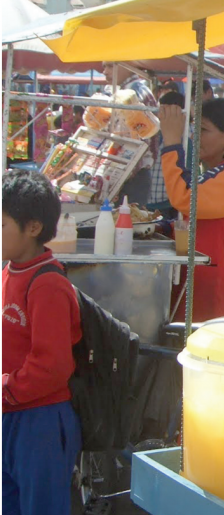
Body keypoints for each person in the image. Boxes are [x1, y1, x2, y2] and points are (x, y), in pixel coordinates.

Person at [3, 170, 82, 515]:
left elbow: (52, 366)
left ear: (32, 228)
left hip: (41, 422)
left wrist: (6, 388)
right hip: (11, 414)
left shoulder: (48, 283)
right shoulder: (9, 271)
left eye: (2, 225)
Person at [158, 98, 224, 324]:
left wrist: (171, 143)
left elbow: (185, 198)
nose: (194, 137)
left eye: (203, 130)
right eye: (194, 130)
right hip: (211, 293)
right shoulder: (222, 170)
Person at [102, 61, 158, 205]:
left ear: (127, 65)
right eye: (104, 66)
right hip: (119, 173)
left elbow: (143, 140)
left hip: (132, 176)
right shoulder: (119, 92)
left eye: (110, 65)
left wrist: (125, 174)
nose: (105, 72)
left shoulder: (136, 93)